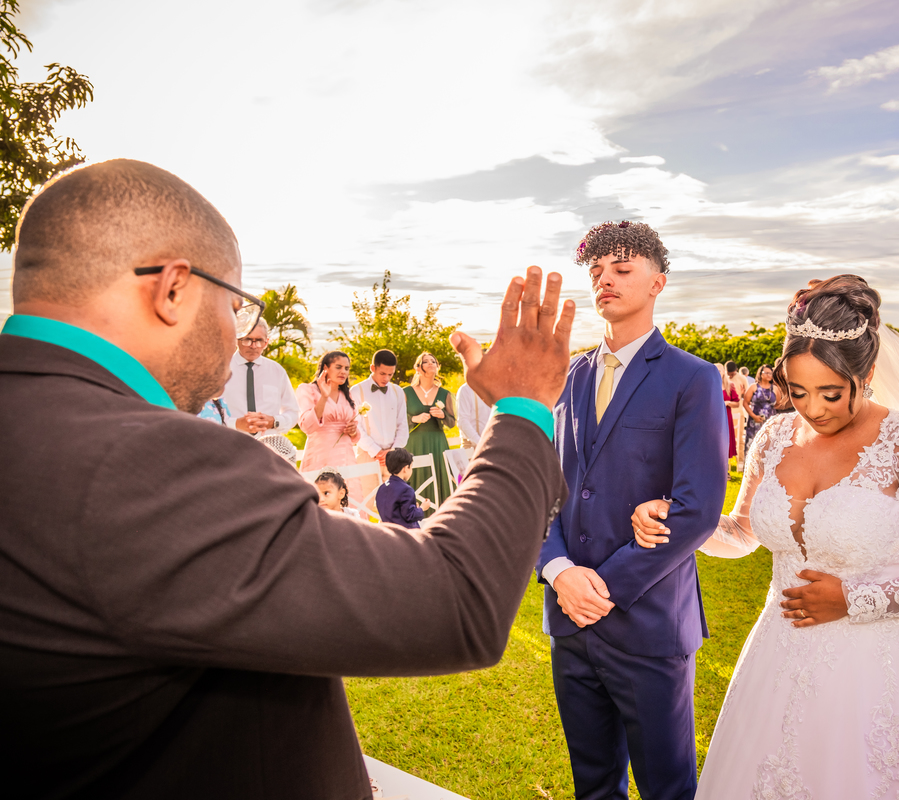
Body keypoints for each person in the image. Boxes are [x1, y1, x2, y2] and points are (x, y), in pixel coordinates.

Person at [0, 158, 573, 800]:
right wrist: (523, 407)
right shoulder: (146, 459)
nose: (237, 334)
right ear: (173, 290)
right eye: (235, 307)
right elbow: (458, 598)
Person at [631, 275, 899, 799]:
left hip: (888, 670)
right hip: (779, 657)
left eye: (830, 393)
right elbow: (744, 533)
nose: (813, 408)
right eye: (798, 391)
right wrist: (681, 520)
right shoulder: (773, 438)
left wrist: (855, 598)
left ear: (867, 375)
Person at [536, 221, 727, 800]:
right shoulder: (567, 376)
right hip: (568, 617)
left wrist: (603, 587)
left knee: (668, 788)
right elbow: (542, 488)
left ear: (657, 283)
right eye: (596, 271)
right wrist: (560, 573)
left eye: (621, 270)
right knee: (593, 786)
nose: (605, 280)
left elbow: (697, 509)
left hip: (649, 623)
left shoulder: (692, 378)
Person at [298, 351, 364, 502]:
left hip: (346, 455)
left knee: (349, 499)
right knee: (320, 499)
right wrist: (324, 396)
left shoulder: (347, 394)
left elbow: (356, 435)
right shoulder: (307, 390)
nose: (343, 372)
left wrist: (353, 431)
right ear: (326, 368)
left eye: (346, 368)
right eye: (338, 367)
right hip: (319, 453)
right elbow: (307, 426)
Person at [222, 318, 300, 435]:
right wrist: (236, 424)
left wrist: (274, 422)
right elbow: (205, 414)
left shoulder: (278, 371)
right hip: (230, 442)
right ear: (237, 339)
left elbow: (293, 412)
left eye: (259, 340)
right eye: (247, 340)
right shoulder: (220, 369)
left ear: (266, 342)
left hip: (267, 444)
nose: (253, 346)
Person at [351, 349, 409, 501]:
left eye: (390, 374)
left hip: (394, 457)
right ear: (373, 368)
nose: (386, 378)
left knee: (395, 503)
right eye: (383, 373)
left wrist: (393, 451)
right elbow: (356, 427)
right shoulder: (356, 391)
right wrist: (376, 451)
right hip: (367, 454)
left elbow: (403, 424)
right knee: (365, 502)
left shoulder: (397, 391)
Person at [403, 352, 457, 503]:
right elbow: (396, 420)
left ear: (437, 367)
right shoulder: (405, 392)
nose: (431, 363)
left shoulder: (445, 394)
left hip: (438, 444)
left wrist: (443, 415)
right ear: (418, 368)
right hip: (414, 443)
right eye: (426, 361)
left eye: (433, 361)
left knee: (440, 480)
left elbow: (452, 423)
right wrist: (414, 418)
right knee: (416, 481)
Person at [376, 448, 433, 529]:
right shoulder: (406, 490)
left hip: (388, 531)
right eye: (411, 467)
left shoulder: (382, 488)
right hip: (405, 532)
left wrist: (414, 508)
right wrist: (422, 508)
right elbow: (410, 516)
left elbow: (394, 510)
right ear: (405, 468)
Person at [740, 363, 777, 452]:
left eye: (770, 373)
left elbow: (779, 404)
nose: (769, 375)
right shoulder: (754, 387)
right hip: (754, 420)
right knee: (752, 446)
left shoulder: (775, 388)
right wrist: (754, 416)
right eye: (766, 373)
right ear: (760, 374)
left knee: (769, 447)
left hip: (770, 421)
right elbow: (745, 403)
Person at [727, 360, 750, 472]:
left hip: (738, 411)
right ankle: (727, 465)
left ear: (736, 370)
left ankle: (740, 463)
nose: (730, 376)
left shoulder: (742, 378)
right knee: (727, 439)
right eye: (729, 374)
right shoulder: (724, 379)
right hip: (727, 412)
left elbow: (747, 395)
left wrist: (743, 393)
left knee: (739, 439)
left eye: (732, 374)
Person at [456, 379, 492, 450]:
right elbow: (463, 421)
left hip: (492, 444)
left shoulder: (493, 389)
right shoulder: (466, 390)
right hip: (472, 445)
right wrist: (480, 442)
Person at [722, 365, 740, 475]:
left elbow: (737, 403)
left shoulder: (730, 385)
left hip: (726, 417)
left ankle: (726, 470)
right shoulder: (710, 385)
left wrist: (728, 403)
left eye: (720, 370)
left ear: (724, 372)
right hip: (713, 418)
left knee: (726, 441)